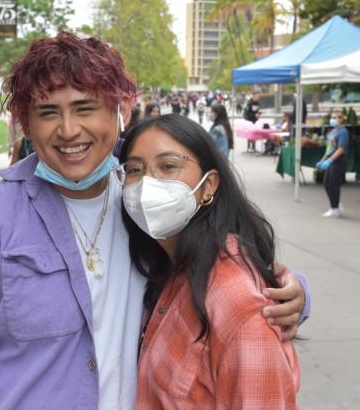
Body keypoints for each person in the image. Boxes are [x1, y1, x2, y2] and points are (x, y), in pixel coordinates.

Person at [0, 31, 310, 409]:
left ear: (120, 110)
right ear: (26, 124)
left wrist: (292, 293)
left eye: (85, 108)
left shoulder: (148, 192)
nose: (69, 131)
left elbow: (222, 265)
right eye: (48, 112)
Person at [116, 114, 300, 408]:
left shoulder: (239, 302)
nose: (147, 183)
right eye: (135, 169)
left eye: (168, 166)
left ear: (209, 185)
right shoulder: (166, 267)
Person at [315, 111, 349, 217]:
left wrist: (330, 161)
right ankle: (336, 204)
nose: (332, 119)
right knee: (326, 183)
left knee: (334, 184)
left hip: (338, 160)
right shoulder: (332, 132)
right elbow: (329, 148)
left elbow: (341, 149)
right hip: (331, 159)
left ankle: (334, 208)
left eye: (335, 117)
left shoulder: (343, 132)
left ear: (341, 119)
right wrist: (323, 160)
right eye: (332, 117)